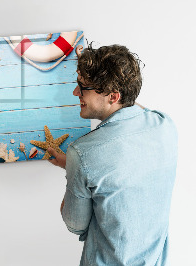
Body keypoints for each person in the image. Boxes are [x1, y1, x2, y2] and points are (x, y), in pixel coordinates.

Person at [47, 44, 177, 265]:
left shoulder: (82, 153)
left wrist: (74, 169)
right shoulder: (165, 125)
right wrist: (97, 77)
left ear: (113, 96)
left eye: (83, 87)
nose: (76, 92)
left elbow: (75, 224)